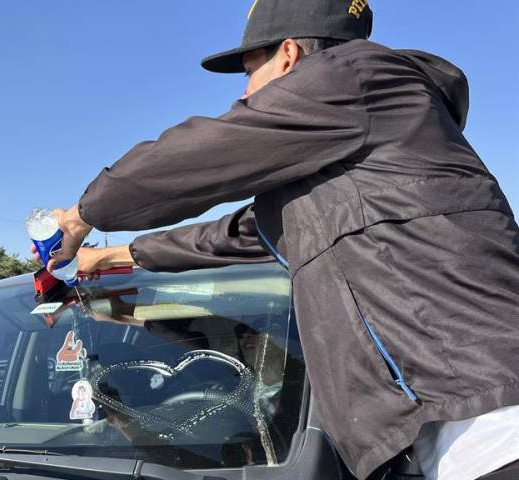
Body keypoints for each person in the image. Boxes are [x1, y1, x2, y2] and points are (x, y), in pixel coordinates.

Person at [33, 1, 519, 478]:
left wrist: (80, 217)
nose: (242, 95)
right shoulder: (357, 157)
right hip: (453, 430)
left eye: (249, 71)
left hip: (494, 421)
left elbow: (200, 155)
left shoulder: (353, 74)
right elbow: (240, 234)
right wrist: (120, 254)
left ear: (289, 57)